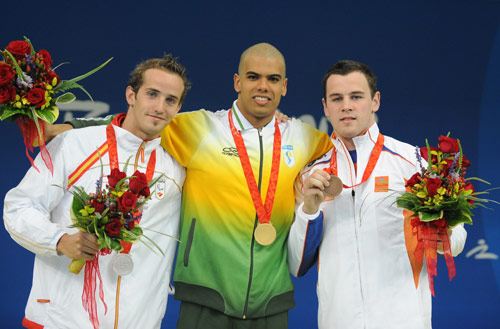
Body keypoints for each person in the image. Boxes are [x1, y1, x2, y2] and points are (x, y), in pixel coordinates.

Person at [60, 42, 332, 329]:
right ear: (237, 82)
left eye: (273, 79)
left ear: (285, 86)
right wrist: (70, 128)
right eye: (253, 77)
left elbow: (342, 150)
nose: (263, 86)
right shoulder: (200, 128)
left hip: (272, 302)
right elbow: (134, 125)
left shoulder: (304, 137)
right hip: (204, 298)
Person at [3, 54, 188, 328]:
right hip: (63, 319)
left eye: (170, 100)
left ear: (179, 107)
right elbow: (18, 208)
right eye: (152, 94)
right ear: (131, 95)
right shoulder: (74, 144)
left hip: (139, 321)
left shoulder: (176, 171)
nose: (160, 106)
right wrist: (59, 240)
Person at [287, 60, 467, 329]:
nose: (346, 105)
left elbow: (457, 238)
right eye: (337, 98)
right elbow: (295, 264)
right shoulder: (310, 177)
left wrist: (443, 235)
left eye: (356, 96)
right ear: (325, 106)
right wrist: (308, 211)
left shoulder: (413, 163)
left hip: (404, 321)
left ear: (375, 101)